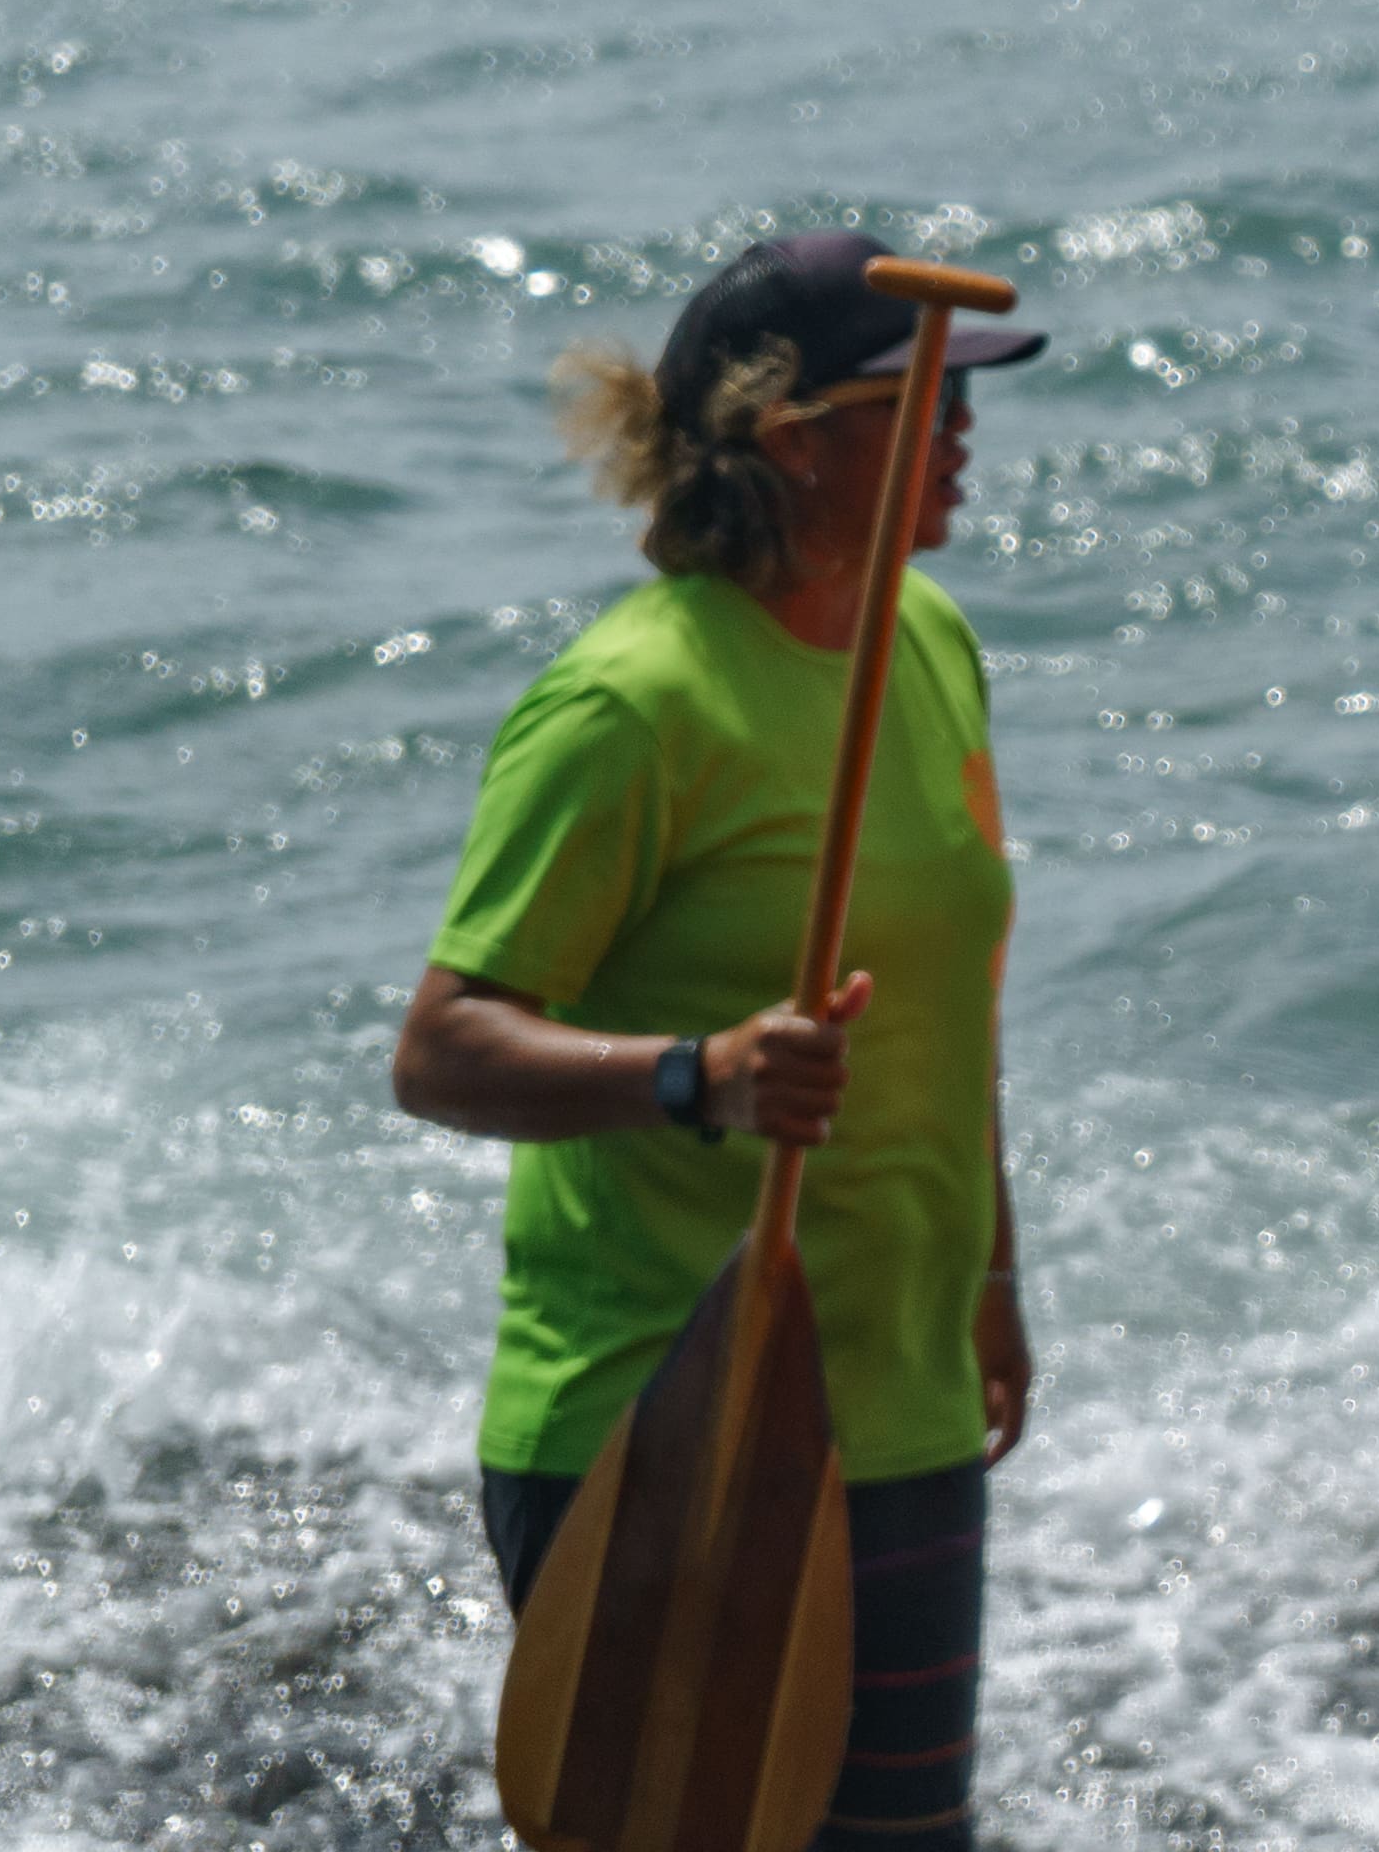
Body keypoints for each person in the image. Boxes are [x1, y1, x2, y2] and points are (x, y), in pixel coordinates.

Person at [392, 230, 1046, 1852]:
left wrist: (990, 1275)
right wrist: (698, 1075)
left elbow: (954, 1007)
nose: (965, 432)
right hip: (667, 1417)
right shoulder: (634, 702)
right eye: (921, 401)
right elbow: (443, 1045)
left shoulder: (930, 642)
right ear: (792, 434)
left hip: (897, 1406)